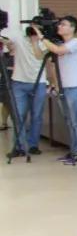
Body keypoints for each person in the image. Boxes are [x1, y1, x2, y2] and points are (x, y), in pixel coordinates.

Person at [33, 15, 77, 165]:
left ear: (72, 28)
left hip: (75, 87)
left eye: (63, 24)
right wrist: (35, 40)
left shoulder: (76, 43)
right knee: (69, 121)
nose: (59, 26)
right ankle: (73, 151)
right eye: (59, 24)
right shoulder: (58, 44)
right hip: (63, 87)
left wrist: (42, 37)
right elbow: (38, 55)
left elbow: (58, 50)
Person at [0, 26, 46, 157]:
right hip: (18, 82)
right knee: (18, 115)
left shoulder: (45, 42)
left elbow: (39, 56)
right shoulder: (19, 37)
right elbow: (6, 39)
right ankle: (19, 146)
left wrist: (36, 41)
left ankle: (33, 145)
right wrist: (7, 43)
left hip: (39, 82)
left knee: (36, 115)